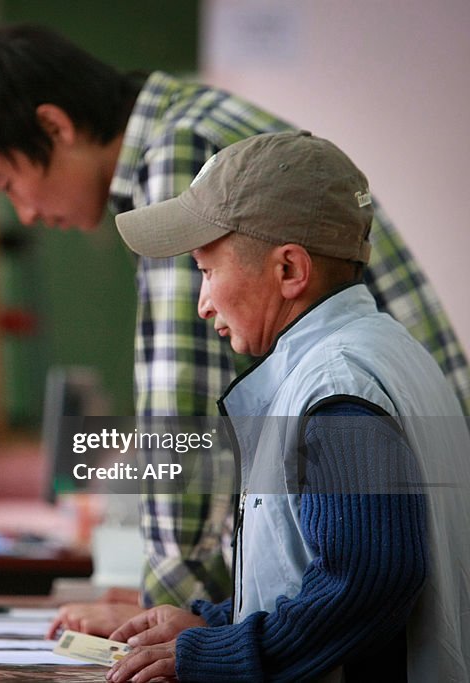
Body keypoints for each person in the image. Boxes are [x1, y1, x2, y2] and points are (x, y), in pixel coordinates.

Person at [0, 24, 470, 620]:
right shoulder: (194, 117)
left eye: (8, 184)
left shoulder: (178, 150)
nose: (26, 213)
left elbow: (184, 405)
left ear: (55, 126)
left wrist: (165, 617)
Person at [104, 130, 470, 681]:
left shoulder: (336, 388)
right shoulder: (384, 352)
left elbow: (368, 582)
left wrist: (219, 656)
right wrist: (218, 624)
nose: (203, 304)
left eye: (207, 271)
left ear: (289, 271)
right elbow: (324, 572)